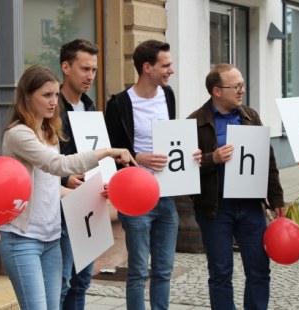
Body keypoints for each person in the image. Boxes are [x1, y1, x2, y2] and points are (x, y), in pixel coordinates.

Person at [0, 64, 135, 310]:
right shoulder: (18, 134)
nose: (54, 102)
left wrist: (91, 195)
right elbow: (57, 166)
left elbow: (50, 187)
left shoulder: (48, 132)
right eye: (46, 95)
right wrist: (105, 152)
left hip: (50, 238)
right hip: (22, 239)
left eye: (55, 95)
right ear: (27, 97)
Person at [105, 39, 202, 310]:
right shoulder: (119, 104)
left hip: (166, 195)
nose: (171, 70)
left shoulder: (167, 95)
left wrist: (188, 154)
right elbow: (110, 152)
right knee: (137, 270)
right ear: (147, 67)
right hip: (135, 198)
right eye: (166, 65)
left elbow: (171, 141)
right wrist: (137, 157)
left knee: (163, 268)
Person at [187, 63, 285, 310]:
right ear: (217, 91)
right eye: (236, 85)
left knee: (259, 269)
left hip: (251, 206)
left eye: (242, 84)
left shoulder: (250, 116)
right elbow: (184, 170)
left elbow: (267, 160)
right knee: (221, 273)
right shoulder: (195, 122)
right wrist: (213, 158)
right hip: (215, 208)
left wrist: (277, 200)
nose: (242, 90)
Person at [58, 39, 99, 310]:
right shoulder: (51, 106)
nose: (90, 76)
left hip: (89, 202)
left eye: (94, 70)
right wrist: (64, 179)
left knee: (82, 281)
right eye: (85, 69)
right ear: (65, 67)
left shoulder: (90, 106)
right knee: (61, 283)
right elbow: (41, 156)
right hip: (60, 205)